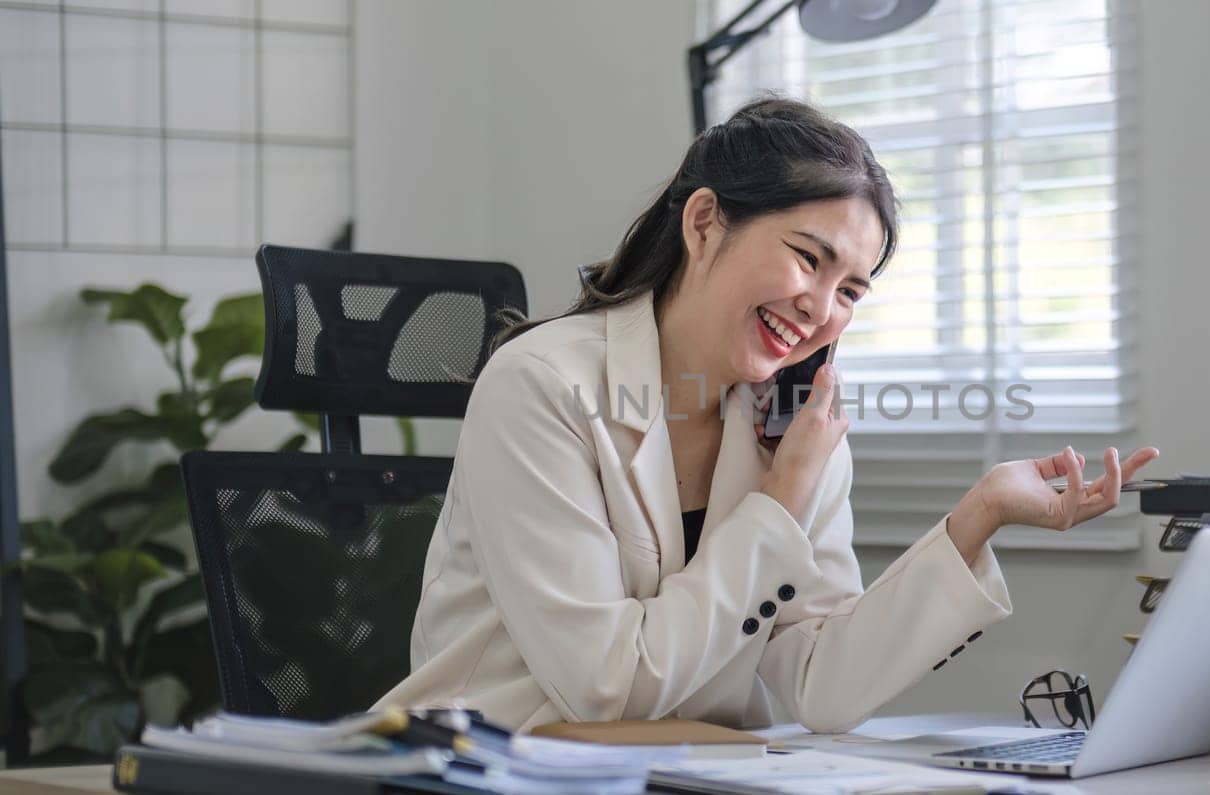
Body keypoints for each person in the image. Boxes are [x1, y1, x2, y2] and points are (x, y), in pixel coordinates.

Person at [375, 96, 1159, 734]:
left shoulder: (793, 426)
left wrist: (980, 514)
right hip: (492, 770)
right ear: (705, 222)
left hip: (685, 775)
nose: (820, 309)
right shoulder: (543, 387)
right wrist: (782, 501)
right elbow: (605, 687)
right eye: (808, 258)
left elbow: (822, 684)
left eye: (851, 290)